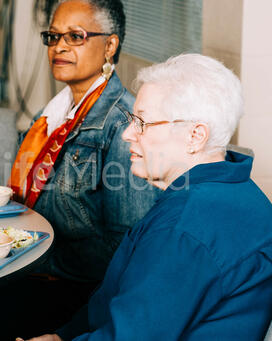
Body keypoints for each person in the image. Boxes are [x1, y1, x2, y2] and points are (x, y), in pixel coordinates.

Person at [0, 1, 157, 339]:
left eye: (76, 36)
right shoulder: (52, 115)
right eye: (53, 37)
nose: (60, 47)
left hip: (76, 294)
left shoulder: (123, 126)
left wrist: (27, 252)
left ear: (110, 45)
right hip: (27, 269)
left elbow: (123, 248)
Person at [25, 54, 272, 341]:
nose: (128, 133)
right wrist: (62, 337)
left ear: (195, 136)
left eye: (142, 122)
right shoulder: (241, 191)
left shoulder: (184, 229)